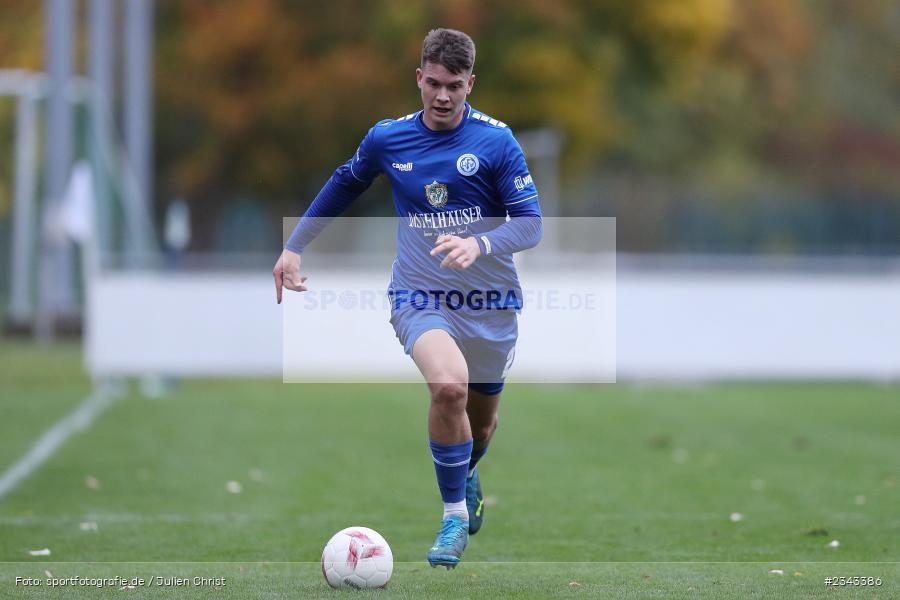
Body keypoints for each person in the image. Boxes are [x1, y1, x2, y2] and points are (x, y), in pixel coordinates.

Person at [273, 28, 542, 569]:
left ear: (471, 84)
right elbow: (344, 183)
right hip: (419, 295)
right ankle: (451, 520)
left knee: (482, 424)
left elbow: (531, 225)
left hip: (491, 303)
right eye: (435, 84)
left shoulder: (496, 141)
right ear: (419, 78)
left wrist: (480, 242)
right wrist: (294, 246)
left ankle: (466, 471)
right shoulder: (388, 139)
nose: (443, 97)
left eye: (456, 87)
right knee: (448, 389)